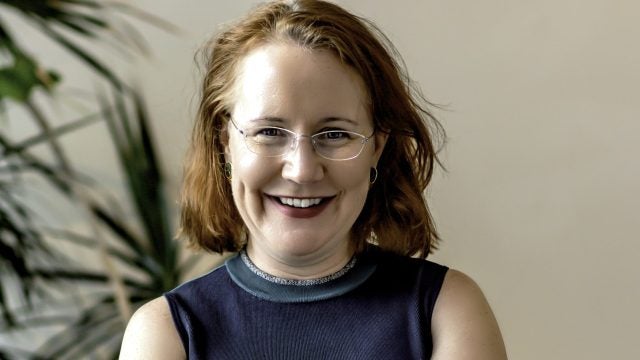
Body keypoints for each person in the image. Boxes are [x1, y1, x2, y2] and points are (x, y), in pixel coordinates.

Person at [120, 0, 507, 359]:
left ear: (377, 148)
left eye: (335, 133)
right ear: (224, 144)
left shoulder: (446, 309)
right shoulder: (166, 331)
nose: (302, 169)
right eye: (269, 131)